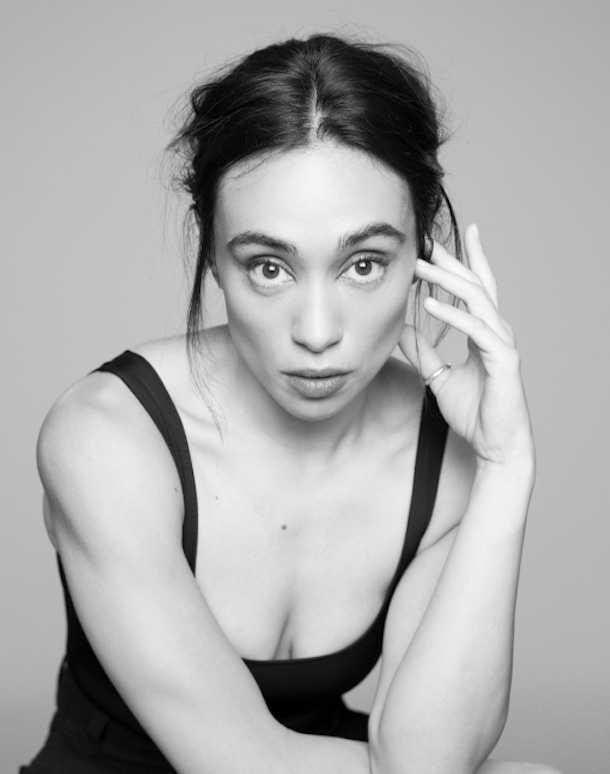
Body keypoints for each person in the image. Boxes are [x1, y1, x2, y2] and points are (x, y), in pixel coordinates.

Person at [20, 32, 561, 774]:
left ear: (423, 250)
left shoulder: (446, 454)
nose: (316, 332)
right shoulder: (107, 437)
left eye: (364, 264)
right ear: (212, 252)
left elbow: (431, 756)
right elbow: (240, 761)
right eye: (269, 267)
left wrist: (505, 465)